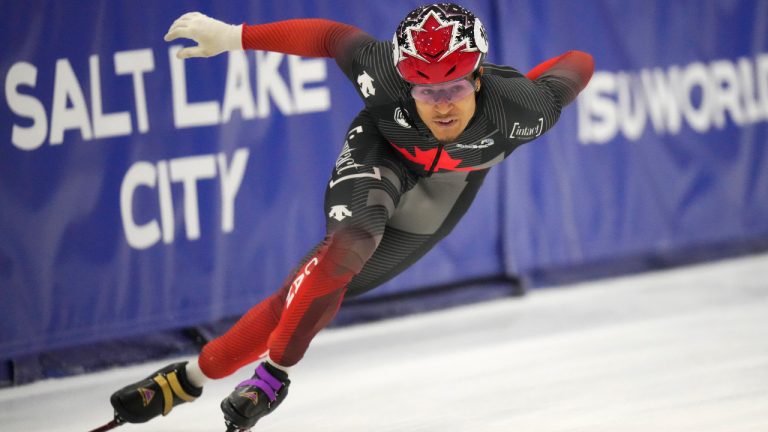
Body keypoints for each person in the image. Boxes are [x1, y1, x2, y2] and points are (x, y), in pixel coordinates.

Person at [108, 3, 594, 431]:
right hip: (382, 151)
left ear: (479, 76)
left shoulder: (523, 109)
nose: (442, 105)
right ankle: (265, 378)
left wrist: (527, 81)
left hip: (446, 190)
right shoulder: (381, 70)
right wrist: (234, 36)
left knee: (312, 290)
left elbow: (578, 64)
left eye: (453, 87)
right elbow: (329, 37)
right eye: (424, 91)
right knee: (343, 252)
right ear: (404, 80)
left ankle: (185, 380)